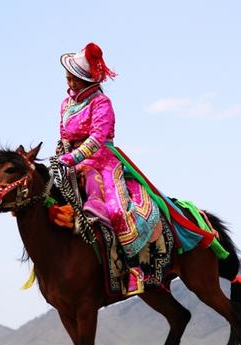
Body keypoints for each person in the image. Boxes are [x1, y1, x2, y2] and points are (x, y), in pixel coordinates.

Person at [57, 42, 160, 296]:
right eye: (68, 78)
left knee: (116, 210)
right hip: (72, 162)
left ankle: (135, 269)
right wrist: (61, 153)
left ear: (85, 81)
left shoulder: (102, 103)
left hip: (102, 161)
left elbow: (97, 138)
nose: (69, 83)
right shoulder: (65, 104)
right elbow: (63, 135)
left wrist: (74, 157)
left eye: (73, 79)